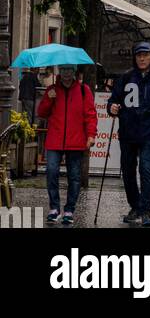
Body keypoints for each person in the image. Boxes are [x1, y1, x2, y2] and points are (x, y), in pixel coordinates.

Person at [108, 41, 150, 227]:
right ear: (135, 57)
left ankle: (146, 210)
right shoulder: (126, 77)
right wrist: (112, 107)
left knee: (146, 169)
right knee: (128, 171)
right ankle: (135, 206)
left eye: (145, 55)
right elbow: (113, 101)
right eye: (139, 55)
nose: (142, 58)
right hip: (128, 132)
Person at [36, 66, 98, 225]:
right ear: (59, 72)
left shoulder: (84, 91)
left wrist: (91, 135)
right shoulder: (52, 90)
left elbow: (90, 115)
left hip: (76, 140)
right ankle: (54, 208)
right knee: (51, 171)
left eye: (69, 70)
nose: (66, 73)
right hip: (55, 139)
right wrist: (49, 98)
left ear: (74, 72)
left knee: (75, 176)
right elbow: (42, 113)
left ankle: (69, 209)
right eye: (63, 70)